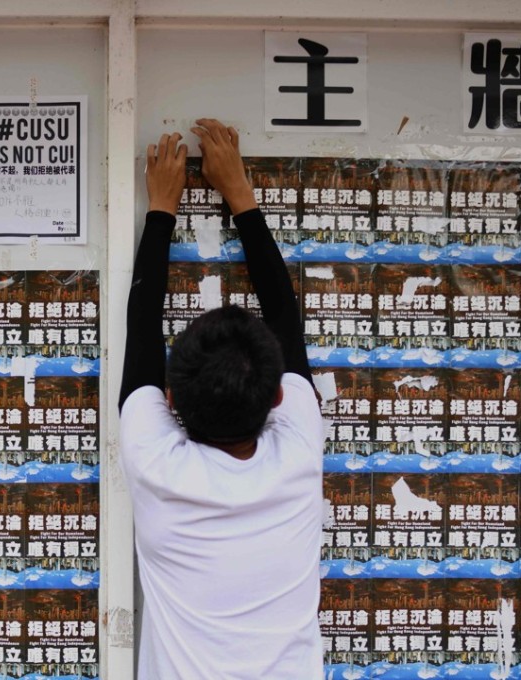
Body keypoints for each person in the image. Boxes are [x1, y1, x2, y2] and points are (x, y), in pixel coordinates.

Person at [119, 119, 325, 679]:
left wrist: (161, 210)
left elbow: (140, 333)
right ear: (280, 394)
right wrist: (240, 195)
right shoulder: (299, 451)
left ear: (170, 401)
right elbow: (285, 318)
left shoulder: (159, 466)